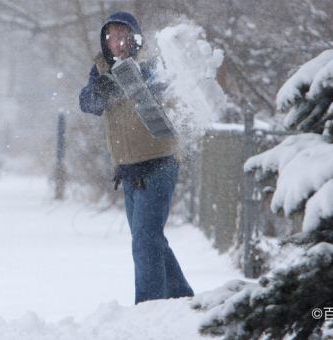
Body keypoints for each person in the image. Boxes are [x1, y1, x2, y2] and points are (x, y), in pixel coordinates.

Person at [79, 11, 194, 304]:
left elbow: (157, 85)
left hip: (159, 163)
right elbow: (87, 104)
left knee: (145, 240)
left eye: (123, 36)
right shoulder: (100, 69)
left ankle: (149, 308)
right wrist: (98, 89)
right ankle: (181, 297)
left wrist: (123, 81)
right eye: (111, 36)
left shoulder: (150, 64)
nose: (116, 42)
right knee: (149, 240)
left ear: (134, 38)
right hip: (128, 170)